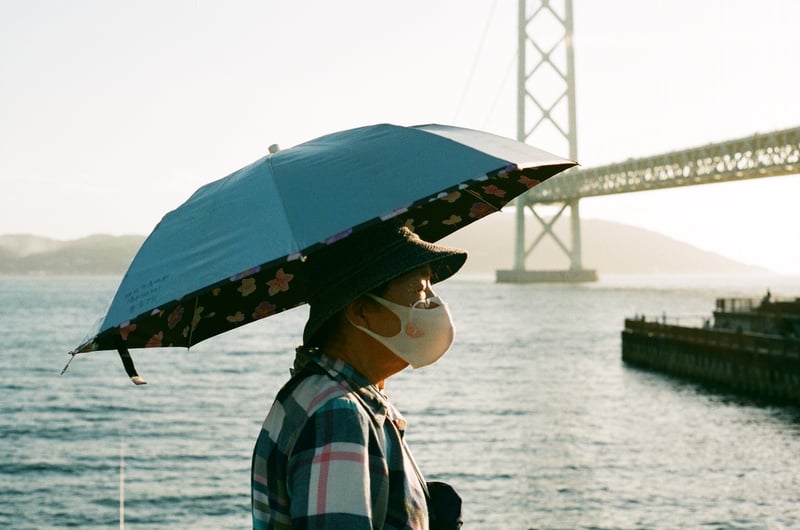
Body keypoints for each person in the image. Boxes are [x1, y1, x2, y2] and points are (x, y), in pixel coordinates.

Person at [251, 225, 467, 530]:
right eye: (420, 290)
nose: (434, 302)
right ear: (362, 311)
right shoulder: (337, 416)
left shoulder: (321, 396)